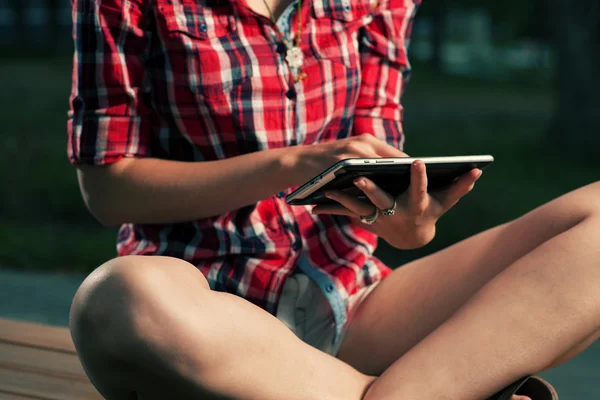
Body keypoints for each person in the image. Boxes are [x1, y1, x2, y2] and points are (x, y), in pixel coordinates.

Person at [67, 0, 598, 398]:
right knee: (115, 298)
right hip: (205, 321)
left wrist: (406, 219)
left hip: (352, 303)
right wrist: (291, 162)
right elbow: (109, 190)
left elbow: (390, 207)